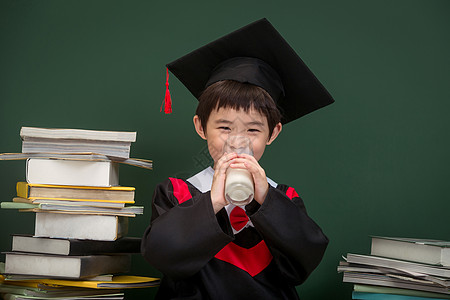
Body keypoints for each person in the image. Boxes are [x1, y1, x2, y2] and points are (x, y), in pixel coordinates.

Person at [141, 18, 334, 299]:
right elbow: (162, 256)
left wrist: (266, 200)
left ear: (273, 133)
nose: (237, 140)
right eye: (224, 127)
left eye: (253, 130)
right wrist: (214, 201)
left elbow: (303, 263)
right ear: (200, 127)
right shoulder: (177, 192)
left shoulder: (284, 197)